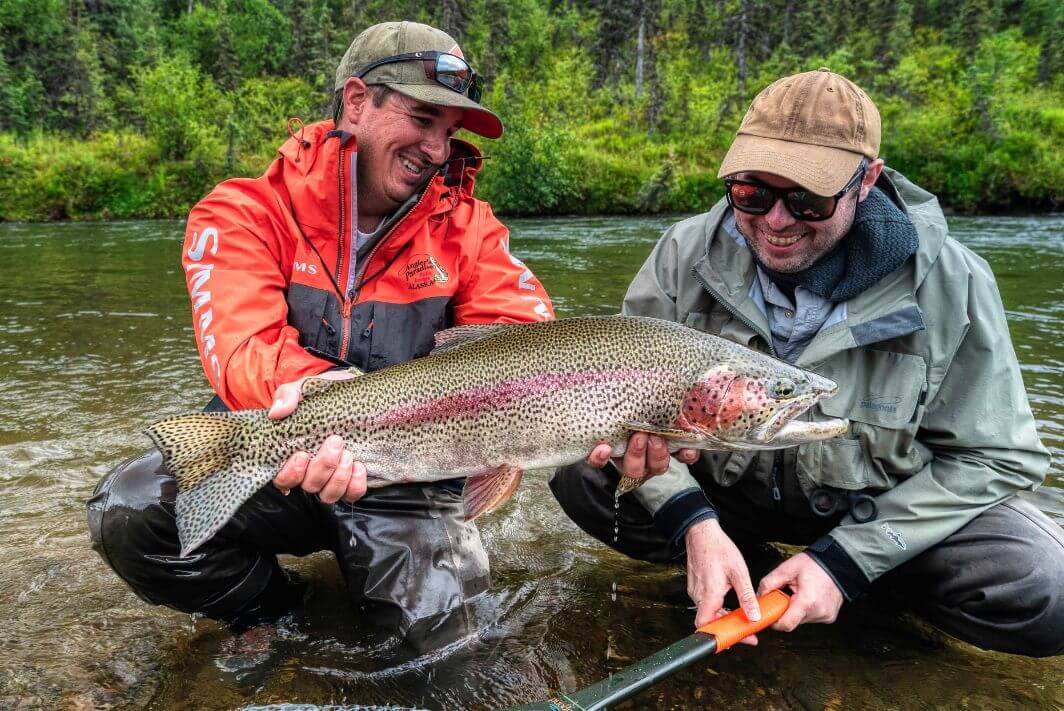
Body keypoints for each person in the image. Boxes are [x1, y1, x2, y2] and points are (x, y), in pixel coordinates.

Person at [86, 21, 672, 645]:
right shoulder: (243, 212)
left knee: (444, 661)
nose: (438, 149)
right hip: (284, 447)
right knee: (130, 510)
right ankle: (277, 614)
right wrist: (321, 406)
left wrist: (602, 407)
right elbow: (241, 347)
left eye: (449, 133)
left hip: (413, 473)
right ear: (358, 102)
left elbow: (524, 340)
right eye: (423, 119)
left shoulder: (470, 230)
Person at [551, 68, 1064, 657]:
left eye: (807, 199)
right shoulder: (684, 253)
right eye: (752, 192)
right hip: (730, 506)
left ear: (865, 181)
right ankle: (737, 566)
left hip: (878, 509)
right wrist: (692, 521)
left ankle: (857, 588)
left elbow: (998, 457)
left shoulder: (955, 282)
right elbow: (627, 419)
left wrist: (851, 560)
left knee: (1048, 590)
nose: (775, 220)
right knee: (581, 471)